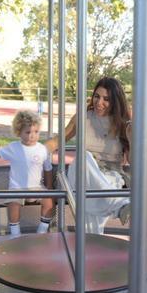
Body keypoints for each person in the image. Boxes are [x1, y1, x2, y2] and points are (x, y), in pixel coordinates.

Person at [44, 77, 132, 234]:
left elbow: (133, 161)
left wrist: (133, 139)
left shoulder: (123, 122)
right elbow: (59, 140)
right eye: (97, 96)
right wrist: (34, 150)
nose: (99, 102)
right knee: (84, 157)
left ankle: (89, 250)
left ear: (116, 101)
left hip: (109, 176)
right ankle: (120, 207)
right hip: (81, 173)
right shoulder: (83, 117)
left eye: (106, 99)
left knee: (89, 215)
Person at [0, 110, 55, 236]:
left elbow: (48, 168)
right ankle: (15, 234)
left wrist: (49, 186)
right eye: (28, 132)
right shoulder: (13, 148)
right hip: (17, 188)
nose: (32, 135)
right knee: (13, 205)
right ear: (19, 132)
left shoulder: (42, 149)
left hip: (36, 188)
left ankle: (42, 230)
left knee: (49, 202)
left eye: (36, 132)